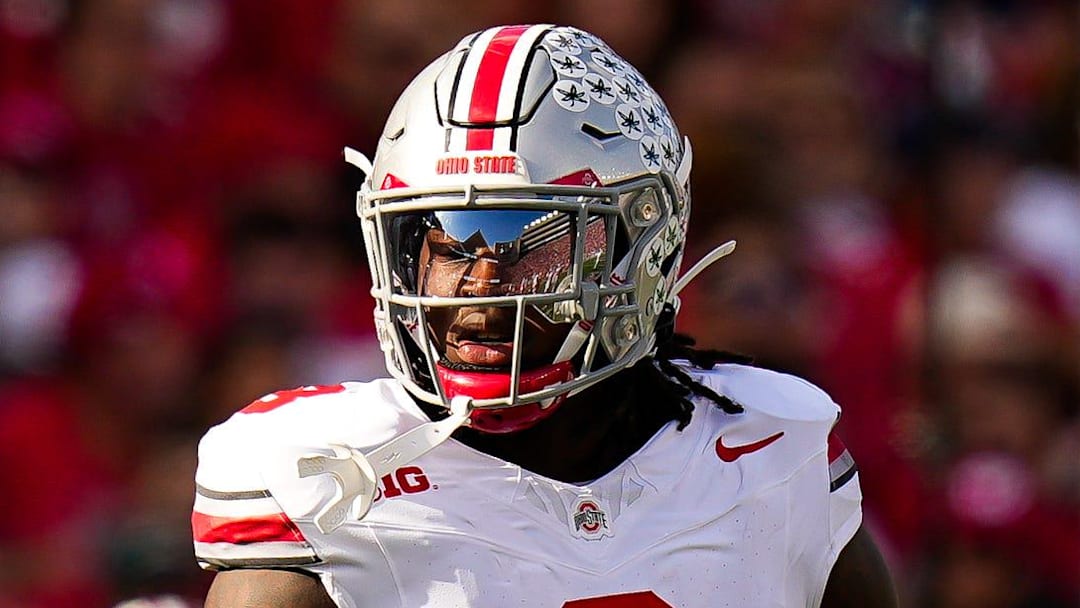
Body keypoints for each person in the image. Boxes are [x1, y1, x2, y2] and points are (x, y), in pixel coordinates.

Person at [192, 24, 897, 607]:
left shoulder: (771, 452)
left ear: (638, 247)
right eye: (442, 238)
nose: (480, 284)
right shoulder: (326, 478)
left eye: (523, 241)